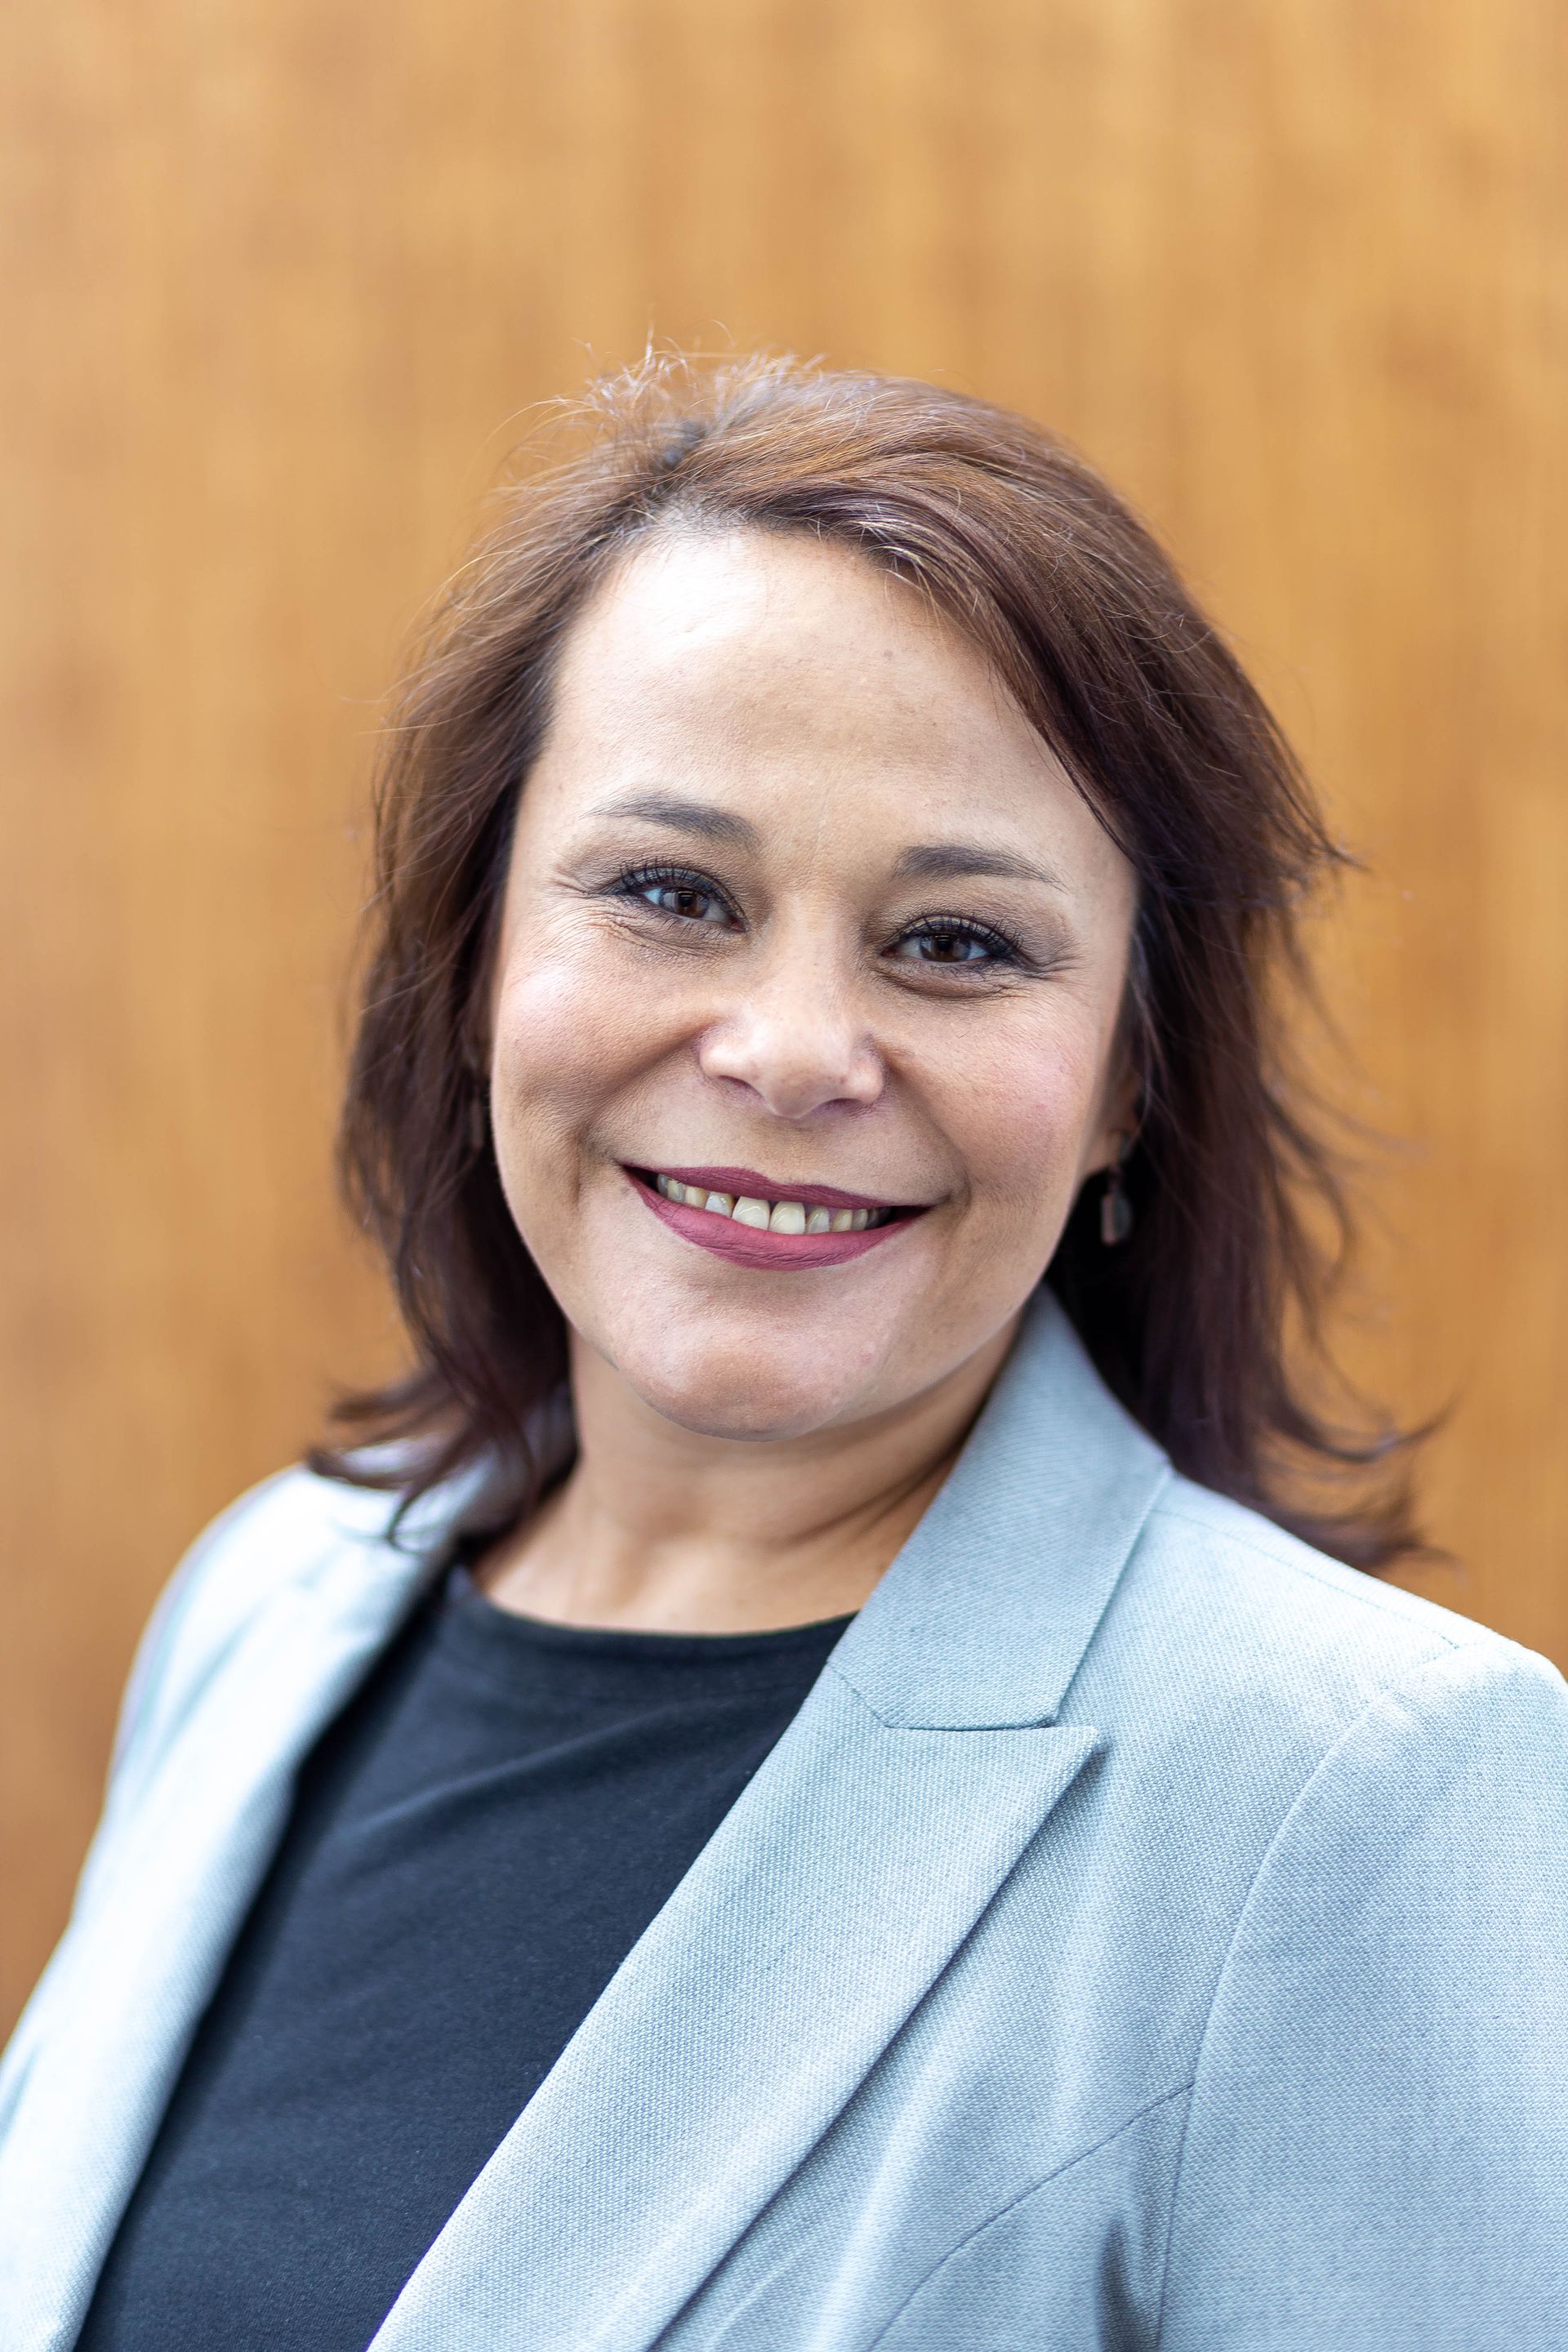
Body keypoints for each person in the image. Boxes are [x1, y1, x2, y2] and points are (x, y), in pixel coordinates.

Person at [2, 354, 1564, 2351]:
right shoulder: (268, 1604)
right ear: (480, 962)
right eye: (671, 894)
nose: (795, 1052)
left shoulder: (1350, 1793)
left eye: (958, 942)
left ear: (1129, 1078)